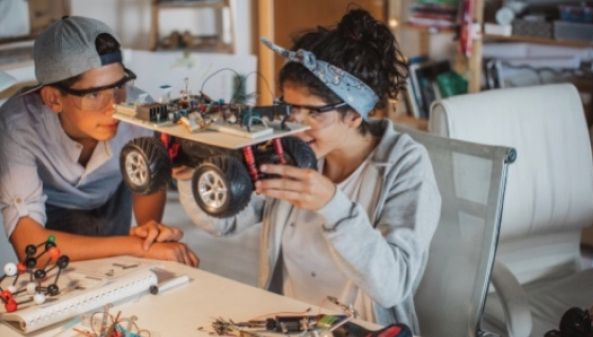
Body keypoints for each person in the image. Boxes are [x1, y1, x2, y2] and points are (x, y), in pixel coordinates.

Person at [175, 9, 440, 333]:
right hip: (287, 323)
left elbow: (392, 285)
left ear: (354, 115)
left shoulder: (406, 166)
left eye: (313, 113)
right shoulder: (289, 149)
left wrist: (333, 206)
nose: (293, 126)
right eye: (288, 108)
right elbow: (226, 223)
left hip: (362, 329)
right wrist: (191, 176)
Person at [0, 16, 198, 267]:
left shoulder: (136, 107)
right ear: (53, 99)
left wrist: (150, 232)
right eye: (94, 94)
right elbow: (32, 248)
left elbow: (149, 176)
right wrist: (138, 247)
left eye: (119, 86)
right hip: (52, 211)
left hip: (113, 197)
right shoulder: (16, 125)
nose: (114, 106)